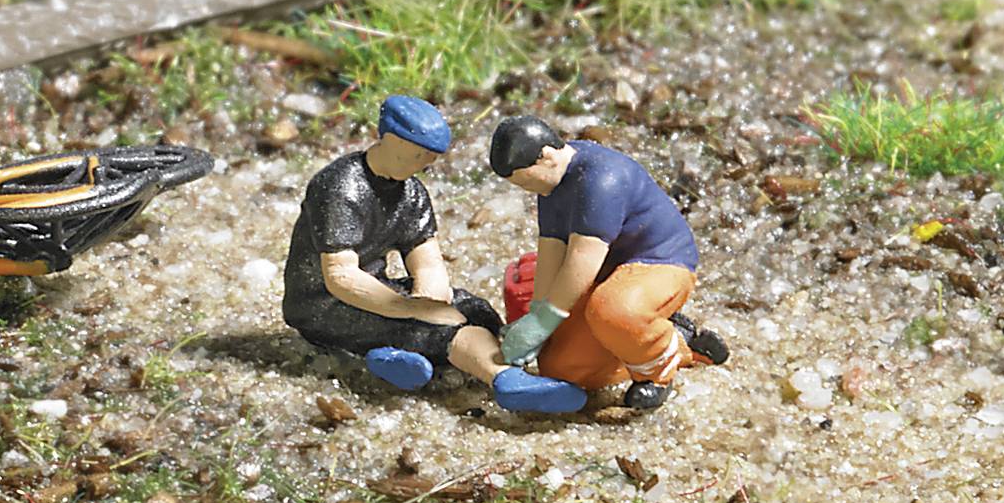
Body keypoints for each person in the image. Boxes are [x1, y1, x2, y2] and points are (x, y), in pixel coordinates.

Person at [482, 115, 728, 411]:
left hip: (659, 262)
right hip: (606, 276)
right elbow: (551, 249)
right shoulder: (549, 185)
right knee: (562, 368)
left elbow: (583, 259)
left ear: (546, 156)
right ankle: (676, 342)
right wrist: (536, 313)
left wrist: (545, 320)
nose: (525, 189)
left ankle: (656, 373)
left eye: (524, 180)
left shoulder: (601, 179)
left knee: (613, 310)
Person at [281, 95, 506, 395]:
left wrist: (430, 301)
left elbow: (426, 261)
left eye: (430, 157)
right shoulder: (339, 186)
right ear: (391, 140)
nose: (425, 164)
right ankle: (504, 380)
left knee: (475, 310)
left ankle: (397, 360)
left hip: (376, 289)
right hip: (323, 304)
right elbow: (340, 276)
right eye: (419, 154)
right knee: (434, 330)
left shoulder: (411, 192)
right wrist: (413, 310)